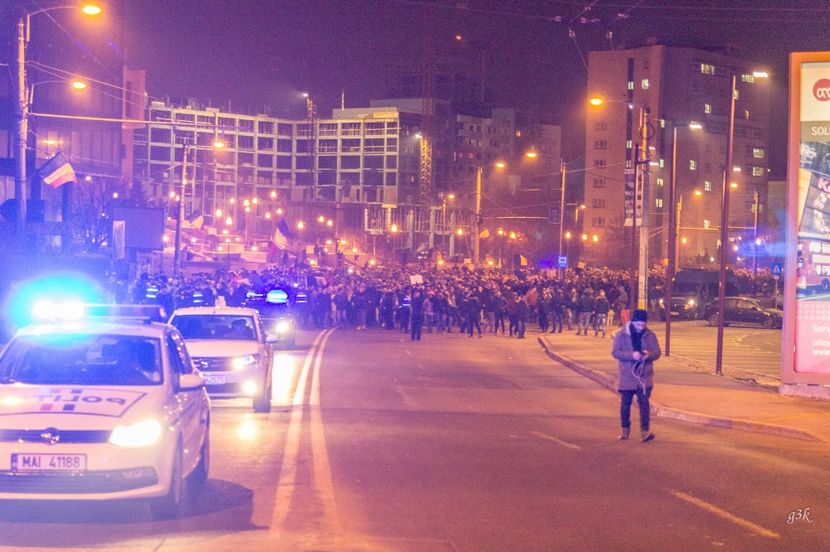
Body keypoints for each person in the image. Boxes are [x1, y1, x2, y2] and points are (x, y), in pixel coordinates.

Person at [612, 309, 661, 442]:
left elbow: (657, 352)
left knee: (644, 404)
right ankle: (624, 430)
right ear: (632, 323)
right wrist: (631, 355)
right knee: (625, 404)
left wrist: (648, 355)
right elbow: (615, 352)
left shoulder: (650, 335)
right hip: (627, 374)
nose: (641, 328)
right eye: (638, 325)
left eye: (643, 325)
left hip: (644, 376)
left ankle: (645, 432)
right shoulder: (621, 335)